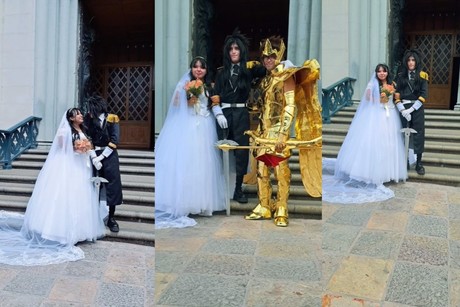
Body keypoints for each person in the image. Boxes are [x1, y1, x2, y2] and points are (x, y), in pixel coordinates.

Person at [0, 108, 107, 265]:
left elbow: (88, 147)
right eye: (78, 114)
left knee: (80, 197)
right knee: (64, 196)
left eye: (80, 113)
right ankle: (59, 232)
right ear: (71, 118)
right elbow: (62, 149)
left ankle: (79, 232)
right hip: (68, 167)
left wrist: (88, 150)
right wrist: (77, 148)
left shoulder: (82, 130)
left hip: (81, 168)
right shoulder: (65, 131)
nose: (81, 115)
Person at [244, 36, 322, 226]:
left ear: (278, 55)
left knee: (280, 170)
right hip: (263, 131)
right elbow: (261, 107)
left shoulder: (287, 76)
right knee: (262, 169)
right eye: (265, 57)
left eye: (271, 56)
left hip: (279, 130)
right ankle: (264, 205)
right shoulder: (266, 80)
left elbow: (290, 107)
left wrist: (282, 134)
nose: (268, 60)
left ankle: (281, 208)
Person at [155, 56, 227, 228]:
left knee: (203, 164)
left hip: (205, 125)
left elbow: (213, 103)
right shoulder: (184, 85)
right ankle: (185, 202)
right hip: (189, 126)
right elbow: (175, 105)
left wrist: (219, 114)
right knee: (188, 162)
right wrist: (187, 98)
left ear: (206, 70)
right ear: (191, 69)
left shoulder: (210, 86)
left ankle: (202, 204)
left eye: (202, 67)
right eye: (195, 67)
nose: (198, 70)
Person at [322, 64, 407, 204]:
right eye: (379, 71)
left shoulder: (392, 84)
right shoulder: (372, 84)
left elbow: (396, 96)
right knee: (373, 143)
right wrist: (380, 98)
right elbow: (368, 98)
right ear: (376, 73)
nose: (381, 73)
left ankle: (387, 173)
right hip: (376, 115)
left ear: (387, 72)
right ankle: (369, 173)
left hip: (390, 115)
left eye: (384, 71)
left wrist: (392, 98)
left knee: (389, 143)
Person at [213, 29, 266, 203]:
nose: (234, 51)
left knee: (241, 152)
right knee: (222, 151)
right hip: (225, 114)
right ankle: (221, 188)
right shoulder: (221, 73)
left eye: (237, 48)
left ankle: (238, 189)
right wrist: (218, 113)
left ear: (241, 51)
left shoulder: (248, 70)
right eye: (231, 49)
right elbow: (215, 96)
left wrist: (256, 63)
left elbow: (266, 69)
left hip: (242, 114)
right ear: (227, 52)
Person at [84, 95, 123, 232]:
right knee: (95, 185)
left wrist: (101, 158)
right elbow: (88, 138)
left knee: (112, 186)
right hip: (94, 154)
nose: (89, 111)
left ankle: (111, 218)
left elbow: (115, 139)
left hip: (110, 156)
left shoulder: (112, 118)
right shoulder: (89, 119)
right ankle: (95, 216)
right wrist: (94, 157)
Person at [394, 49, 428, 175]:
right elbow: (396, 95)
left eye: (413, 60)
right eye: (408, 60)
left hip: (417, 109)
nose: (411, 62)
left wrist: (412, 109)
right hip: (403, 108)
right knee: (403, 135)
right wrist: (402, 110)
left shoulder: (423, 75)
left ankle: (419, 163)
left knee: (419, 134)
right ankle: (406, 161)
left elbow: (424, 95)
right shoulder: (400, 76)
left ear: (417, 61)